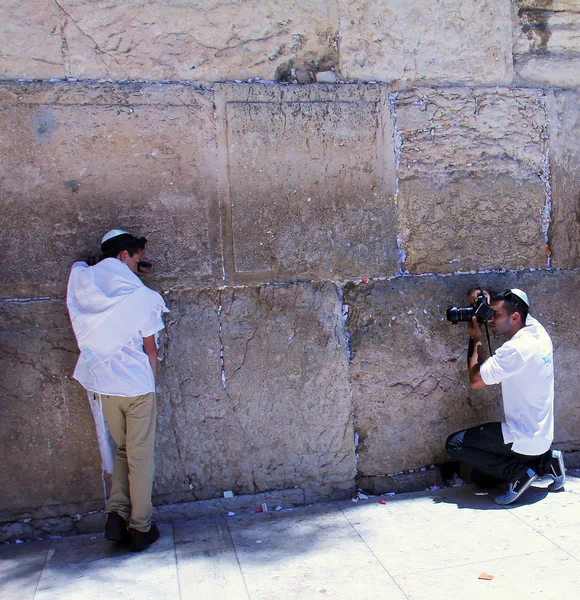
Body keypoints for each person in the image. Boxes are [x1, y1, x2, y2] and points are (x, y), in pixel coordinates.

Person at [67, 229, 168, 551]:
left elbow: (80, 267)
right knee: (141, 458)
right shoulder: (142, 298)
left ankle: (116, 514)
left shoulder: (86, 284)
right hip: (136, 387)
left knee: (123, 451)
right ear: (125, 255)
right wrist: (150, 386)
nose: (140, 265)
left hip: (105, 386)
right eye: (137, 258)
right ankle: (140, 527)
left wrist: (118, 267)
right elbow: (150, 348)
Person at [446, 288, 565, 505]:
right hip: (543, 438)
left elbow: (476, 380)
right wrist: (483, 294)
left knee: (454, 444)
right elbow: (514, 299)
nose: (490, 319)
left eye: (496, 315)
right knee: (481, 478)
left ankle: (518, 473)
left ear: (515, 317)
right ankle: (546, 462)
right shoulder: (537, 330)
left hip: (520, 436)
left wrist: (476, 338)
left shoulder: (516, 350)